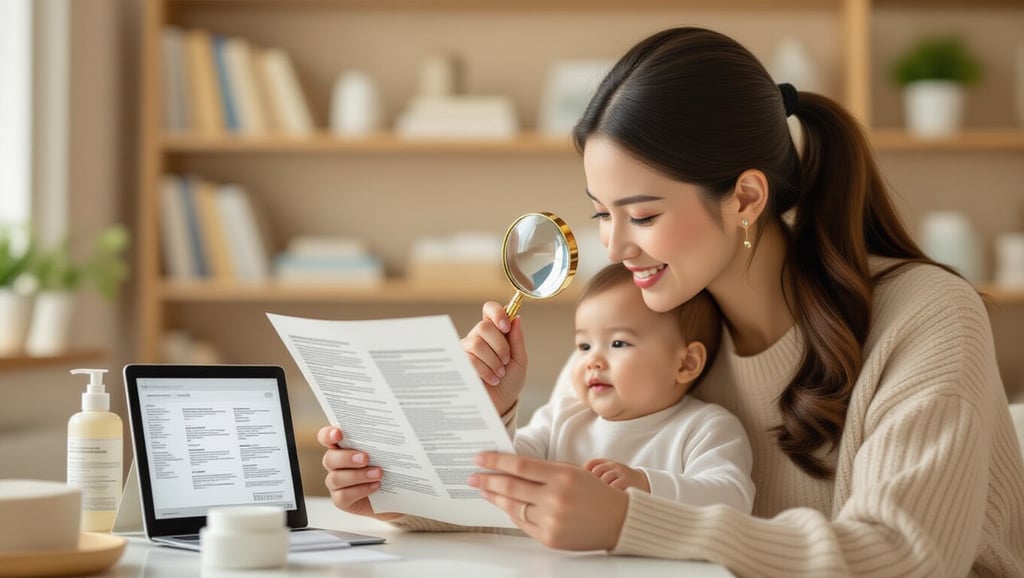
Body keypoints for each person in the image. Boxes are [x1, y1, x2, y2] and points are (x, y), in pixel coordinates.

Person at [318, 26, 1024, 576]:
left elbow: (903, 556)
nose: (616, 247)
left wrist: (632, 520)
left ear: (746, 197)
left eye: (644, 214)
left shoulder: (924, 316)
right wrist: (402, 483)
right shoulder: (648, 318)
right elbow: (551, 507)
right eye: (601, 213)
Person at [513, 262, 754, 512]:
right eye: (584, 346)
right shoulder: (561, 418)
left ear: (686, 364)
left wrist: (647, 485)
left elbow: (733, 497)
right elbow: (502, 464)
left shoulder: (704, 428)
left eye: (618, 343)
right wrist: (499, 404)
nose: (592, 361)